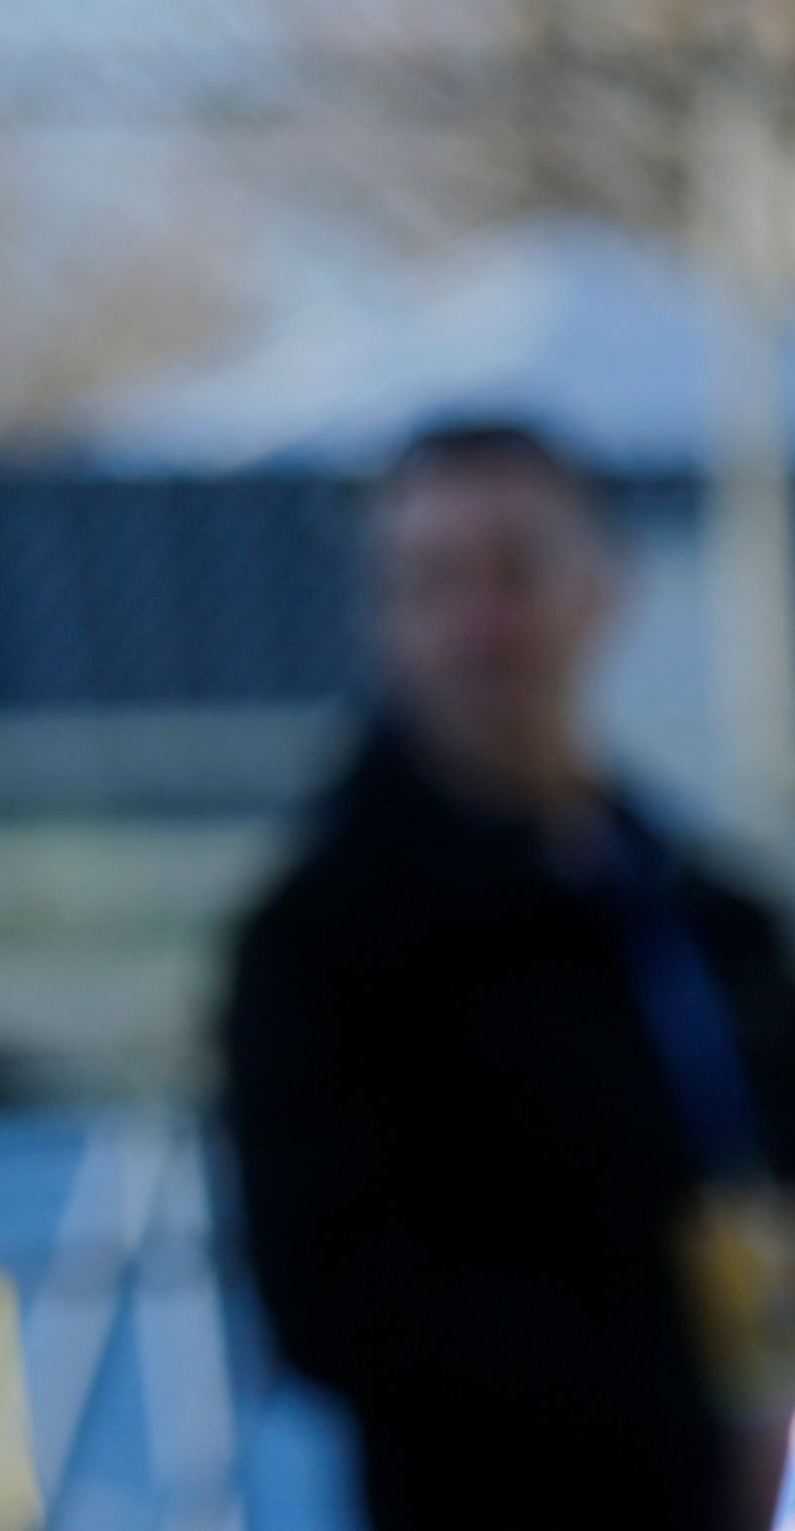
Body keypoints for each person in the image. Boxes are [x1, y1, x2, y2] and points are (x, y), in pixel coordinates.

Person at [224, 420, 795, 1531]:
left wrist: (761, 1407)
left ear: (602, 588)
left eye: (516, 569)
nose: (481, 623)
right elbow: (336, 1300)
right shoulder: (321, 941)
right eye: (434, 581)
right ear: (386, 619)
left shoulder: (700, 909)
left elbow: (758, 1174)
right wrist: (665, 1405)